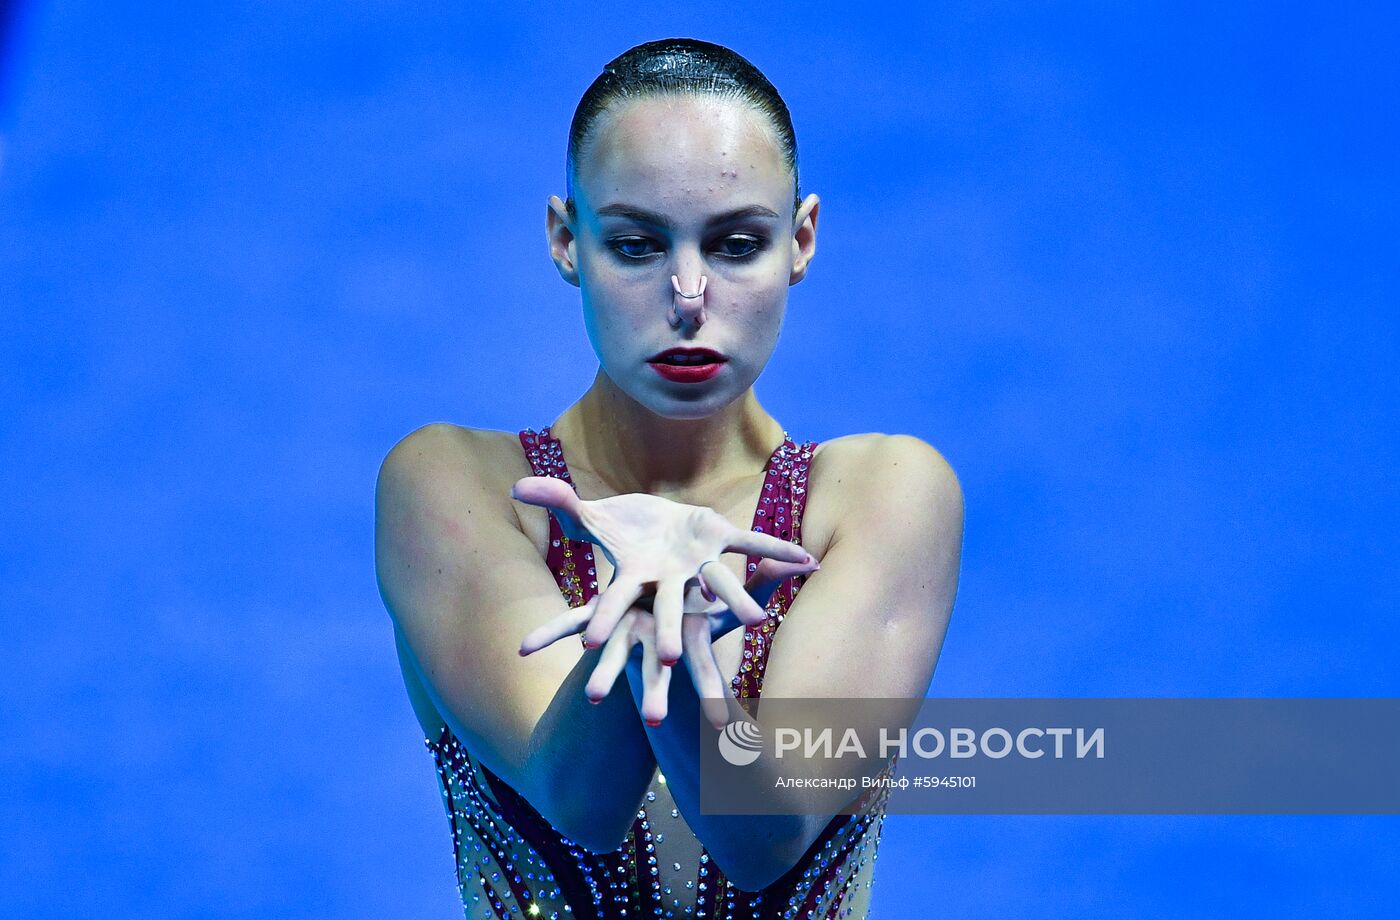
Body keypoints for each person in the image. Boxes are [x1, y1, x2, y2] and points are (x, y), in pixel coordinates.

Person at [375, 37, 964, 920]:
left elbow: (765, 837)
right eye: (637, 244)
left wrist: (675, 622)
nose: (689, 293)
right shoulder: (454, 485)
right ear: (567, 240)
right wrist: (654, 606)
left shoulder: (882, 496)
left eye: (734, 243)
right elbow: (577, 798)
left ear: (800, 241)